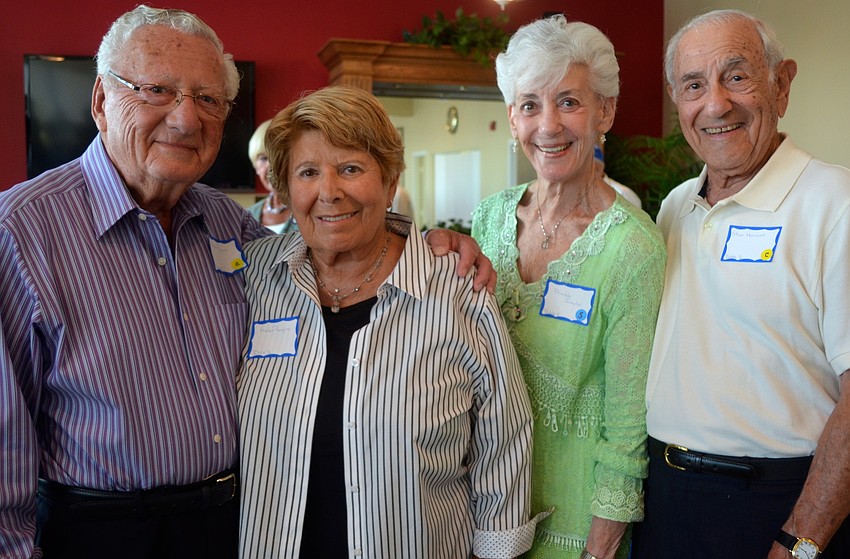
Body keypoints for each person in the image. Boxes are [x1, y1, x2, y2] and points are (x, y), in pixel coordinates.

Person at [0, 6, 491, 559]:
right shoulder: (21, 233)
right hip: (104, 534)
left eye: (208, 99)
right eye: (157, 89)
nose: (186, 119)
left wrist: (424, 245)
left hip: (238, 526)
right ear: (100, 101)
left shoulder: (229, 226)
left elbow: (333, 249)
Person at [237, 85, 541, 559]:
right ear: (284, 185)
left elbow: (504, 443)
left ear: (390, 177)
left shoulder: (455, 290)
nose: (329, 191)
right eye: (308, 172)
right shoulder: (253, 280)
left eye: (351, 168)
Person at [631, 10, 850, 559]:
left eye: (737, 76)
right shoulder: (675, 206)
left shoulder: (835, 204)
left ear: (782, 83)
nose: (715, 105)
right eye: (694, 85)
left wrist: (802, 540)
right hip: (665, 501)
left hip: (780, 505)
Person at [472, 15, 666, 559]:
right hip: (484, 516)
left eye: (569, 101)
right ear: (512, 118)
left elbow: (628, 430)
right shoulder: (488, 219)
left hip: (575, 530)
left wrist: (598, 550)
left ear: (605, 111)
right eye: (530, 104)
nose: (548, 125)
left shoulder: (633, 249)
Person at [246, 119, 298, 233]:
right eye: (263, 158)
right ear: (256, 167)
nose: (271, 166)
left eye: (278, 156)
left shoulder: (311, 212)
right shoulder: (246, 217)